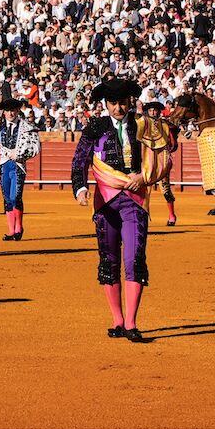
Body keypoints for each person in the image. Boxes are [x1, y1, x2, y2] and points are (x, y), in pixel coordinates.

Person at [71, 78, 172, 343]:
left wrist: (146, 176)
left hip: (134, 199)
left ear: (130, 101)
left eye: (122, 102)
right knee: (109, 260)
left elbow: (163, 155)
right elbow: (79, 161)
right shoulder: (95, 127)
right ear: (106, 104)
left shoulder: (142, 125)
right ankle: (117, 320)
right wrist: (80, 188)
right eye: (113, 103)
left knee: (135, 259)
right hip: (105, 202)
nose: (117, 107)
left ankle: (131, 322)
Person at [0, 98, 41, 240]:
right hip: (4, 165)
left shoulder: (26, 127)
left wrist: (20, 154)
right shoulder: (0, 128)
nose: (10, 113)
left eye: (13, 110)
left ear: (17, 111)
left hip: (18, 165)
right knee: (6, 198)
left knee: (15, 196)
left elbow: (34, 147)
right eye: (8, 111)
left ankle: (19, 228)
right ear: (3, 112)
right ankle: (11, 231)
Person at [142, 99, 180, 227]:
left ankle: (171, 215)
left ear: (158, 112)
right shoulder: (143, 124)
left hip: (161, 160)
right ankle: (144, 216)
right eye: (151, 110)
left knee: (165, 190)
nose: (153, 112)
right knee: (144, 189)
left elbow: (173, 141)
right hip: (147, 160)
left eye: (155, 110)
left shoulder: (165, 125)